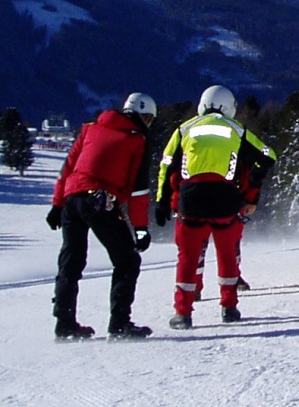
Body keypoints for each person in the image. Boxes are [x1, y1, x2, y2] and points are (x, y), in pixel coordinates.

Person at [156, 85, 275, 329]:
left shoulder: (184, 129)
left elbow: (166, 165)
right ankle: (229, 307)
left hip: (191, 199)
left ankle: (183, 313)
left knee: (187, 258)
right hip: (225, 199)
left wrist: (162, 201)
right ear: (228, 106)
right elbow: (267, 155)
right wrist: (252, 192)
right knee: (227, 254)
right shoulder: (236, 129)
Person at [47, 93, 157, 341]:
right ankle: (119, 324)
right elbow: (139, 188)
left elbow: (68, 167)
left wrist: (57, 204)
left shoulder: (90, 128)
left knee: (70, 262)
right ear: (145, 116)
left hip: (71, 200)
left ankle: (64, 325)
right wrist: (140, 228)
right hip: (99, 199)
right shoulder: (137, 139)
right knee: (127, 261)